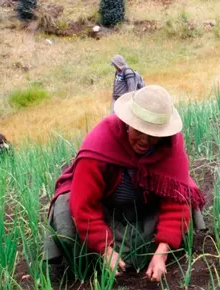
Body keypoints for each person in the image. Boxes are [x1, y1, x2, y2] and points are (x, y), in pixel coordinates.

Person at [44, 85, 206, 282]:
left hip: (145, 210)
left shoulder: (169, 143)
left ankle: (150, 251)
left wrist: (162, 251)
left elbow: (175, 201)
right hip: (107, 212)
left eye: (153, 134)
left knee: (184, 189)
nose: (145, 141)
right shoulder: (99, 143)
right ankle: (94, 260)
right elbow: (83, 205)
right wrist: (104, 248)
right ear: (127, 123)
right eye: (139, 131)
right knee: (65, 209)